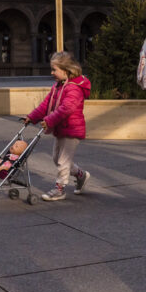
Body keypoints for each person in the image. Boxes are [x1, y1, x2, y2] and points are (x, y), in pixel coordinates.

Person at [25, 50, 92, 201]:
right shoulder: (58, 86)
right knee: (57, 159)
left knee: (63, 161)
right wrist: (32, 117)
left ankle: (59, 189)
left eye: (54, 70)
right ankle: (81, 175)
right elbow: (45, 105)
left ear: (66, 70)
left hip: (71, 129)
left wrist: (49, 120)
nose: (52, 73)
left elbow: (66, 109)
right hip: (60, 128)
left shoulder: (74, 88)